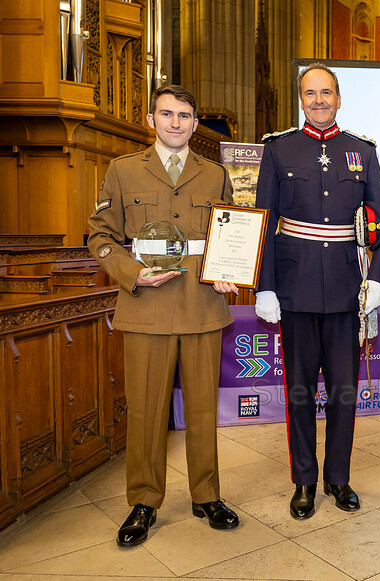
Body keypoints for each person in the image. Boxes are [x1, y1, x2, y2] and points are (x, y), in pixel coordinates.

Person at [87, 85, 240, 546]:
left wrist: (228, 270)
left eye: (185, 116)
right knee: (146, 412)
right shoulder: (122, 170)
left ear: (196, 124)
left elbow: (230, 231)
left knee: (201, 409)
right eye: (167, 114)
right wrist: (132, 273)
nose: (176, 123)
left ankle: (206, 494)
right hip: (146, 307)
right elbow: (100, 235)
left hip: (201, 304)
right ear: (151, 120)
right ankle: (144, 500)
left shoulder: (214, 175)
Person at [254, 63, 380, 519]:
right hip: (293, 292)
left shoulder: (362, 151)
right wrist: (266, 288)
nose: (318, 100)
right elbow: (264, 223)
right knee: (298, 393)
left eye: (326, 93)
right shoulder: (278, 150)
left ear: (339, 98)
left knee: (344, 393)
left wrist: (374, 280)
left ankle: (338, 477)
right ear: (300, 99)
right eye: (310, 93)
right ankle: (305, 482)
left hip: (345, 289)